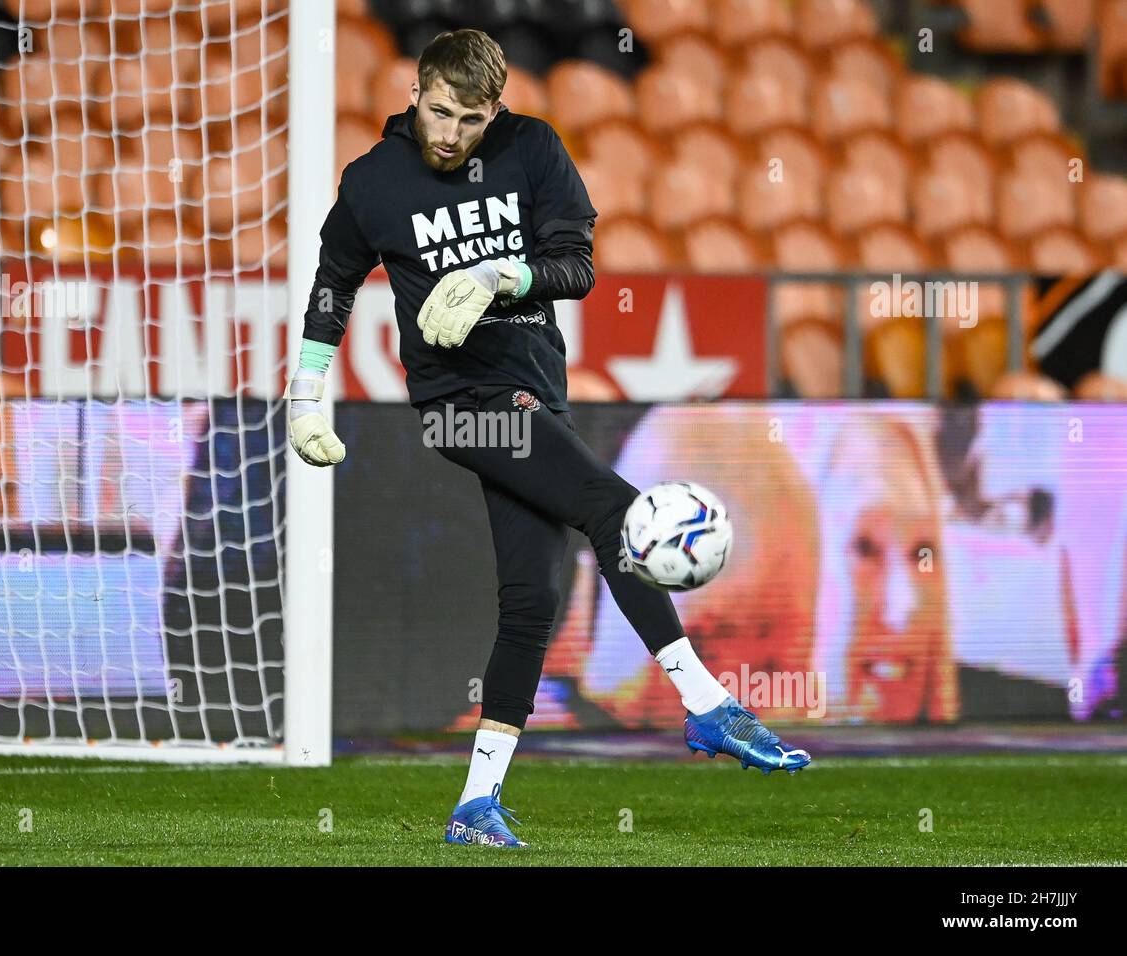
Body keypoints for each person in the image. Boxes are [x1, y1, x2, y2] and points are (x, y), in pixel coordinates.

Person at [285, 29, 810, 849]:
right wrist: (304, 396)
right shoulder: (373, 183)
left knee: (532, 604)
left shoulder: (532, 151)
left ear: (496, 110)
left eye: (469, 118)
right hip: (461, 405)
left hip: (537, 392)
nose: (450, 133)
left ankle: (474, 807)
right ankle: (707, 704)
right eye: (437, 112)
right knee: (615, 510)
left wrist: (504, 275)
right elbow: (332, 285)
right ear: (415, 91)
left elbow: (577, 265)